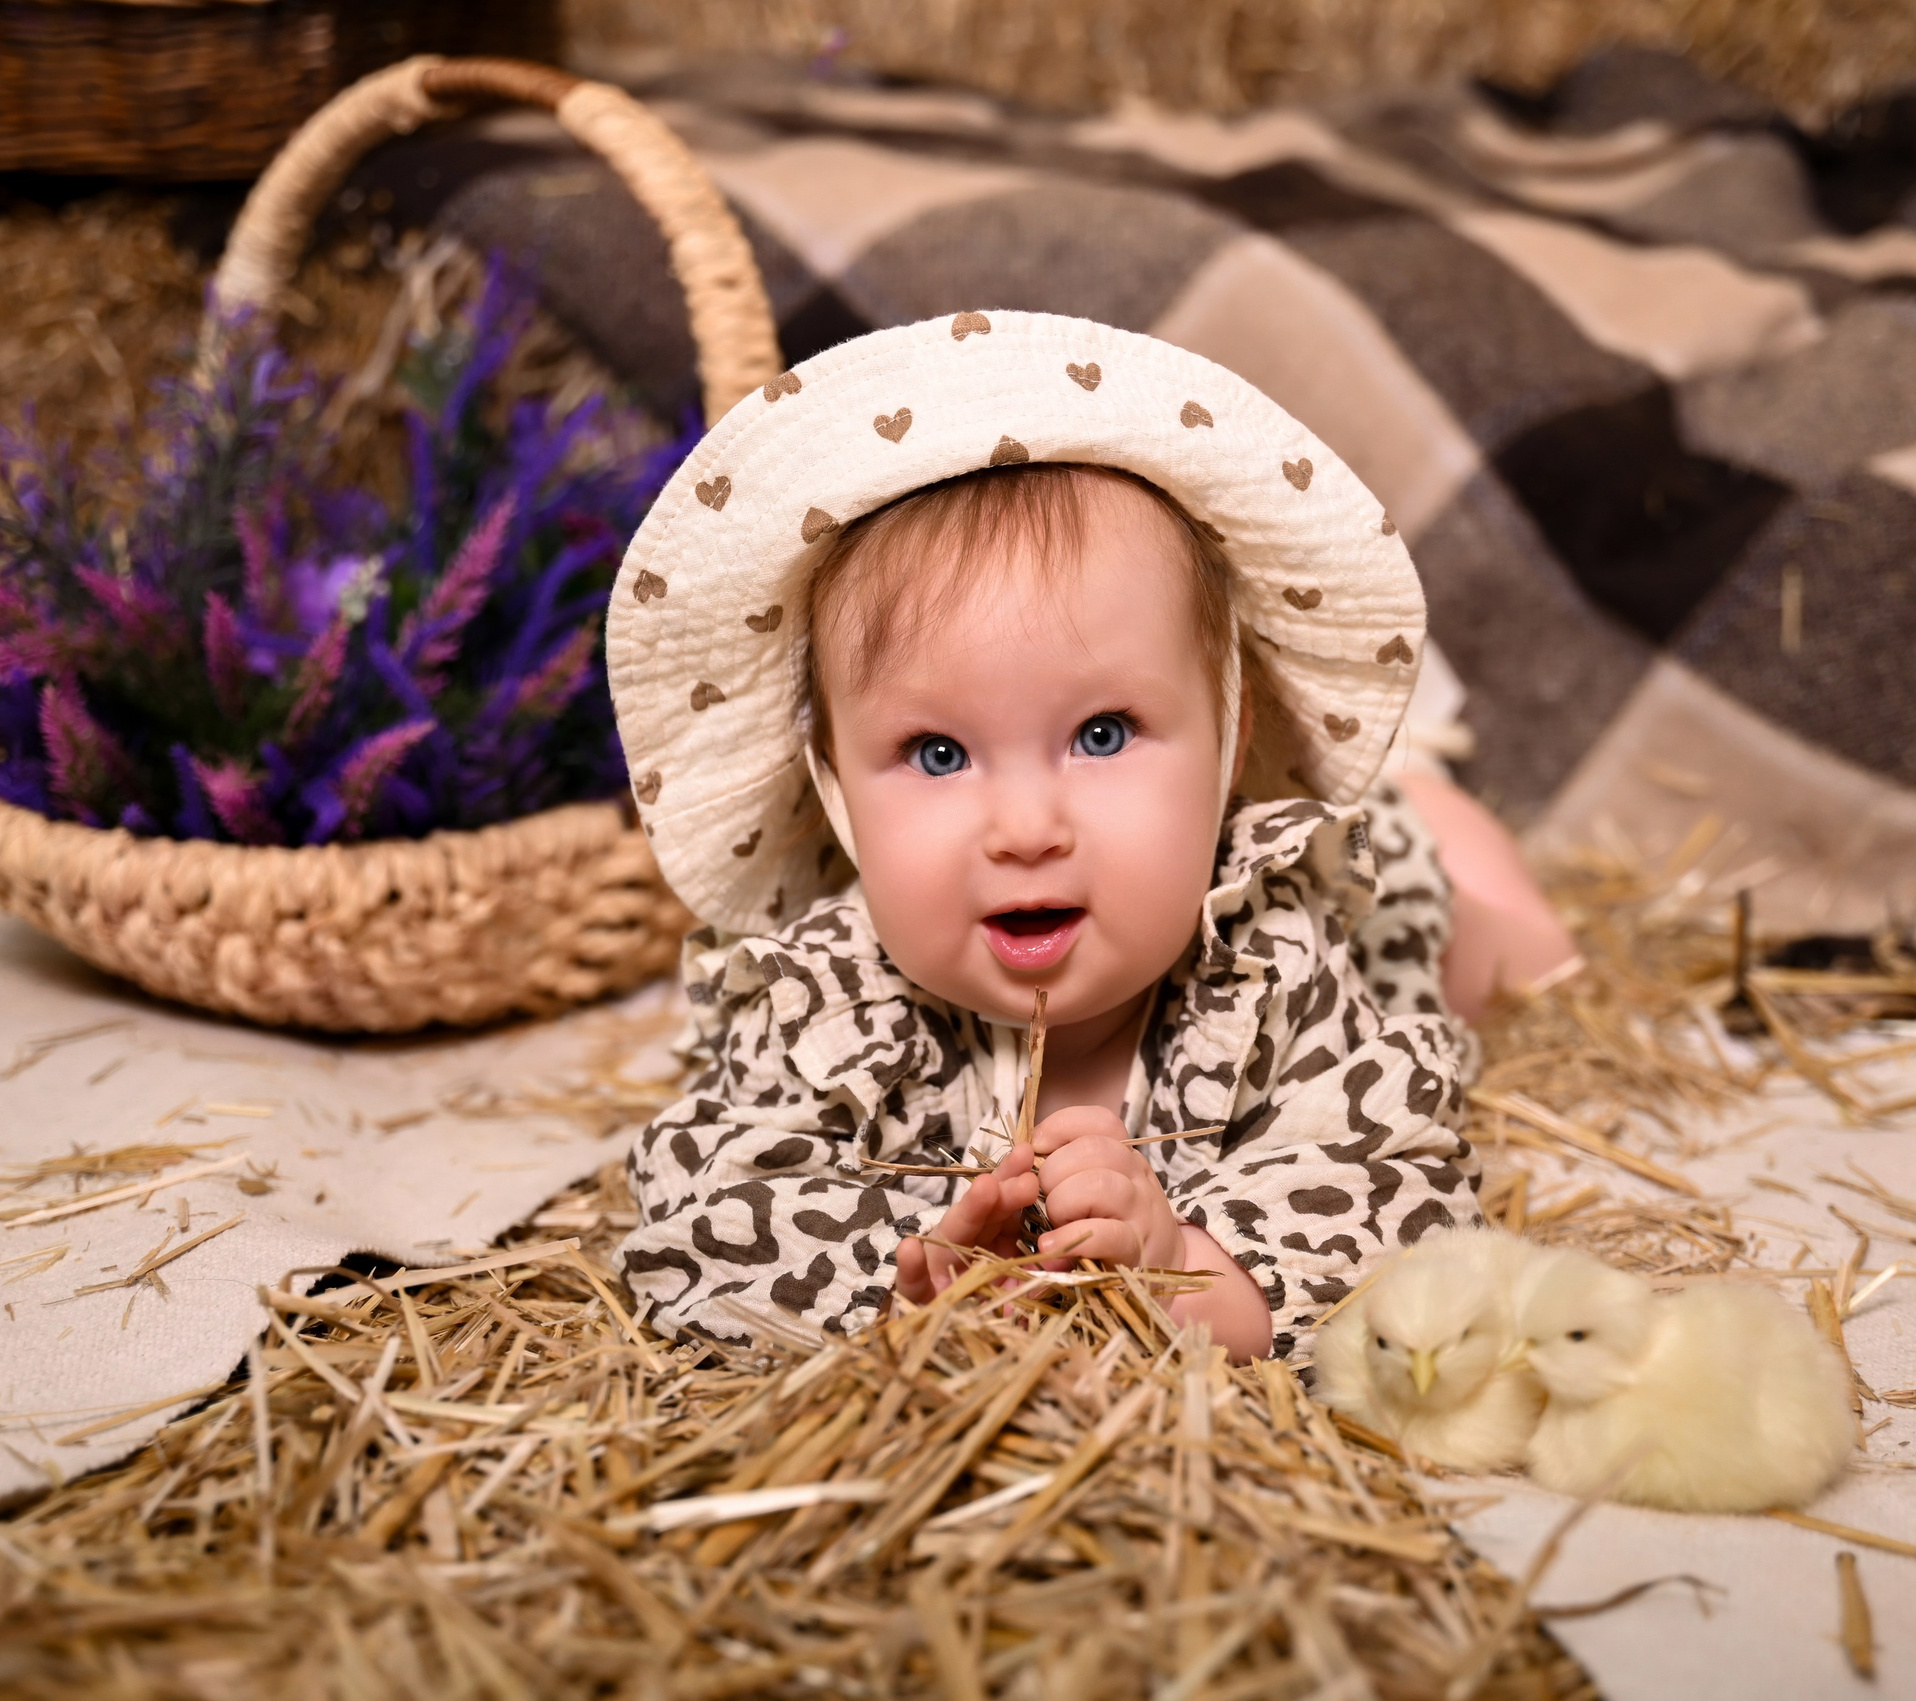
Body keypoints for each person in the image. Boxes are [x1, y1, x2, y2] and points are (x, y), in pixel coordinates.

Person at [605, 311, 1573, 1362]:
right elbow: (704, 1228)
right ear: (832, 790)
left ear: (1226, 744)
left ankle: (1421, 786)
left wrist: (1184, 1266)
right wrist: (908, 1294)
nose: (1025, 829)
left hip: (1393, 886)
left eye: (1101, 733)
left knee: (1491, 947)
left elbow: (1401, 1203)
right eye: (937, 754)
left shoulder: (1272, 965)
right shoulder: (821, 1009)